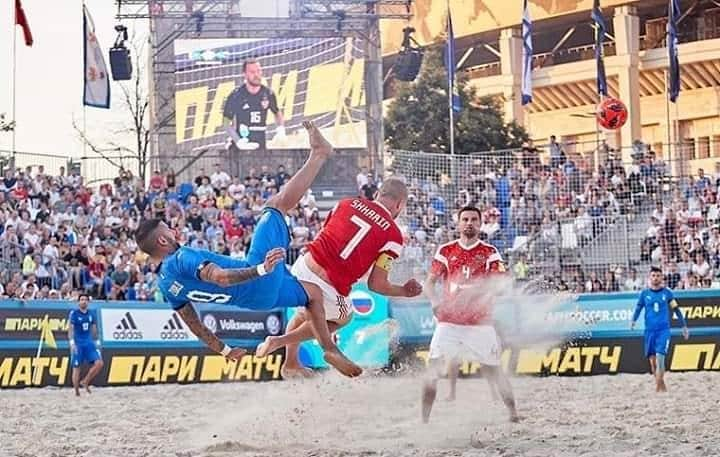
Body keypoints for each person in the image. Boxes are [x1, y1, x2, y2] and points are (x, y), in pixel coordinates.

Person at [134, 122, 361, 378]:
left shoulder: (165, 284)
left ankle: (300, 360)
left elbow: (193, 323)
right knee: (275, 205)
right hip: (257, 275)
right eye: (168, 229)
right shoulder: (182, 257)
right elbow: (219, 277)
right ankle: (319, 153)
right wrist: (261, 268)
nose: (174, 230)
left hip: (255, 302)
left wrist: (223, 349)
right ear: (162, 241)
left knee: (313, 296)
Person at [255, 177, 424, 377]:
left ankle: (291, 362)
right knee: (344, 318)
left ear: (378, 194)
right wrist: (403, 290)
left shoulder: (344, 203)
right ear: (400, 205)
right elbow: (377, 284)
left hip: (303, 265)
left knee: (303, 313)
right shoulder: (394, 236)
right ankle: (278, 341)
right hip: (329, 286)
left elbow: (329, 236)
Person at [421, 206, 519, 423]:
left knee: (495, 370)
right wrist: (435, 301)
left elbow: (501, 283)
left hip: (480, 323)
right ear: (458, 223)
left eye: (474, 219)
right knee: (432, 369)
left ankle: (513, 414)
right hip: (449, 322)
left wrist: (482, 290)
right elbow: (429, 283)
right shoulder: (445, 250)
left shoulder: (489, 252)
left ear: (480, 223)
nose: (469, 223)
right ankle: (424, 421)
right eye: (465, 219)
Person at [630, 266, 689, 392]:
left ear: (662, 277)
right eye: (653, 276)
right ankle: (661, 384)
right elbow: (638, 308)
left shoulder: (667, 293)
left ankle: (658, 389)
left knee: (660, 356)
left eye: (658, 276)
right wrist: (633, 320)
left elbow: (676, 309)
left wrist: (683, 326)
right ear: (649, 277)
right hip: (649, 331)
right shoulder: (644, 294)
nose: (655, 278)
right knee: (653, 362)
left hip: (663, 331)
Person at [223, 59, 285, 150]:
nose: (257, 75)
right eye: (252, 72)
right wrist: (238, 141)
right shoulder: (236, 96)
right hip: (241, 145)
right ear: (244, 74)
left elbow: (276, 112)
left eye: (259, 71)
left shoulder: (268, 94)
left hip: (260, 144)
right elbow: (226, 122)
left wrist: (281, 129)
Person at [67, 294, 103, 396]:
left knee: (99, 363)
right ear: (78, 302)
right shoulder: (74, 313)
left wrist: (97, 341)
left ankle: (85, 381)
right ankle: (77, 392)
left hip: (89, 343)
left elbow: (94, 329)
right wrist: (72, 343)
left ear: (88, 302)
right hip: (78, 344)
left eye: (85, 300)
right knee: (77, 367)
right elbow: (70, 329)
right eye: (82, 300)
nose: (84, 301)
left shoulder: (92, 313)